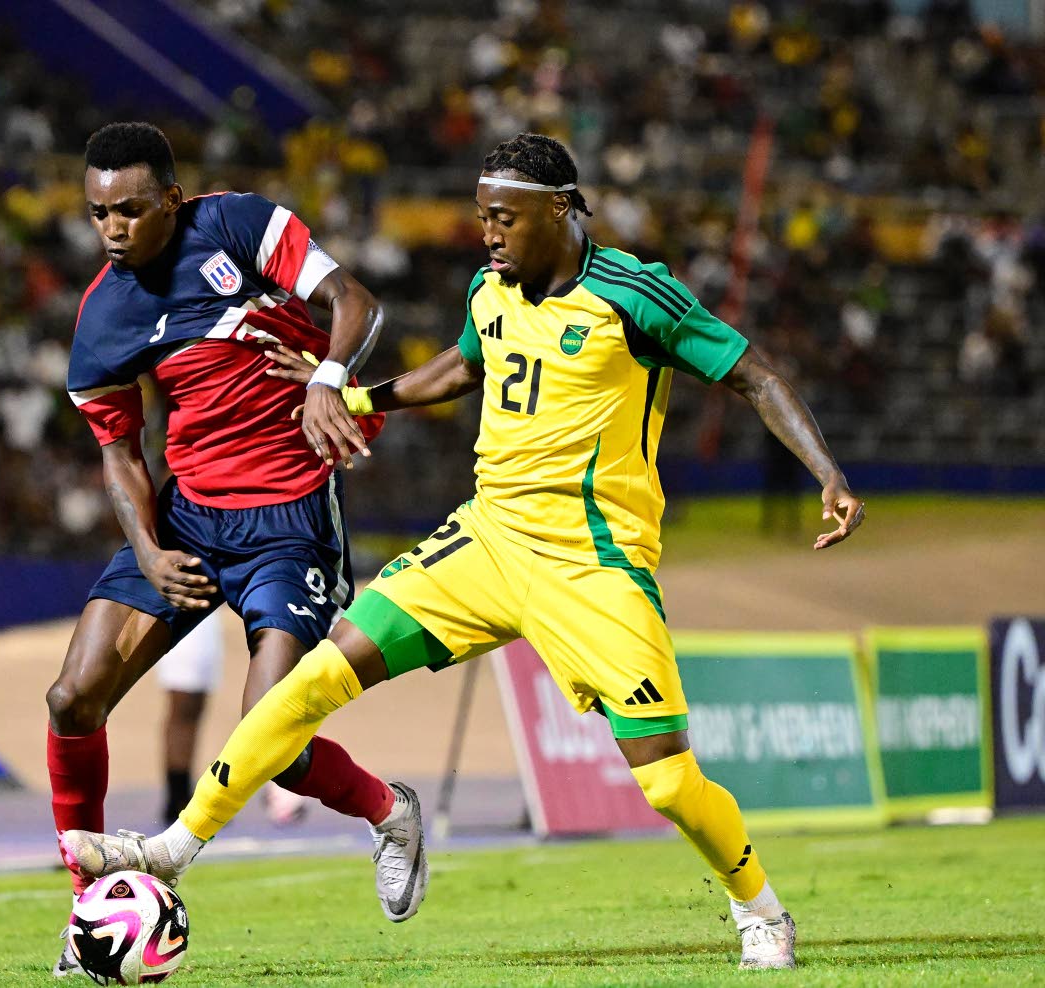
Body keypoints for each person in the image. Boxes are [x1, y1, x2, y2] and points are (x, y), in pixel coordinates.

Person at [62, 132, 866, 971]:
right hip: (484, 541)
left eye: (504, 219)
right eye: (482, 217)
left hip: (590, 563)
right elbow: (459, 369)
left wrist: (829, 474)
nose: (488, 234)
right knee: (311, 683)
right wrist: (346, 391)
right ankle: (172, 850)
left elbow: (754, 375)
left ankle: (760, 908)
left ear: (558, 210)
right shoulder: (491, 288)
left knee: (666, 782)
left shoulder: (635, 296)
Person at [48, 122, 428, 977]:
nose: (113, 228)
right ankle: (89, 904)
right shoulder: (103, 316)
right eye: (98, 212)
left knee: (276, 746)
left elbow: (357, 302)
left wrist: (330, 379)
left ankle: (388, 810)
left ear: (172, 201)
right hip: (187, 521)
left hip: (289, 522)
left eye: (132, 209)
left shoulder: (238, 227)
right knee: (74, 695)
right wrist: (146, 551)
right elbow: (119, 452)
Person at [155, 606, 307, 826]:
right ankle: (178, 799)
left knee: (280, 677)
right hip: (189, 594)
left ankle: (280, 780)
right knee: (187, 698)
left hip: (242, 589)